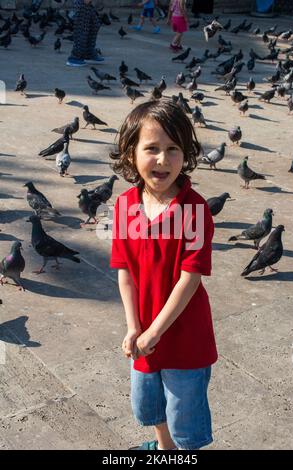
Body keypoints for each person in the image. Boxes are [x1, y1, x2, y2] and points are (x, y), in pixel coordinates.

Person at [110, 100, 218, 451]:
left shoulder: (195, 209)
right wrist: (133, 327)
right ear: (130, 154)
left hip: (185, 337)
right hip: (143, 334)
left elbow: (190, 278)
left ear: (186, 155)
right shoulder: (125, 205)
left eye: (173, 149)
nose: (162, 159)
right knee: (149, 402)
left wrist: (155, 331)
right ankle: (163, 447)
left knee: (185, 412)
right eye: (152, 148)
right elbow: (124, 271)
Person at [66, 0, 104, 67]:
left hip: (88, 4)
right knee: (82, 29)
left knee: (95, 25)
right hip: (82, 4)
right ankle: (74, 57)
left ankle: (88, 52)